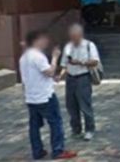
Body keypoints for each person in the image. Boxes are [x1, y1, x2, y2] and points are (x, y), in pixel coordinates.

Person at [19, 29, 77, 160]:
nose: (46, 42)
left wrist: (52, 78)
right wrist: (55, 57)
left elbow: (35, 75)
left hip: (31, 97)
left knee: (34, 125)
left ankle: (37, 150)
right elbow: (49, 71)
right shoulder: (37, 56)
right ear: (36, 41)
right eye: (43, 39)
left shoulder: (24, 57)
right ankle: (58, 150)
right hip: (44, 96)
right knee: (55, 122)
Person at [59, 23, 100, 141]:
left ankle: (89, 129)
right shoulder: (68, 46)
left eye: (75, 36)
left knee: (85, 105)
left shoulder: (89, 45)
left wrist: (81, 62)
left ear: (80, 35)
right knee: (71, 105)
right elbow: (64, 64)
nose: (74, 38)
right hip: (70, 78)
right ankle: (76, 129)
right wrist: (60, 75)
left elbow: (95, 61)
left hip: (83, 77)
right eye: (72, 36)